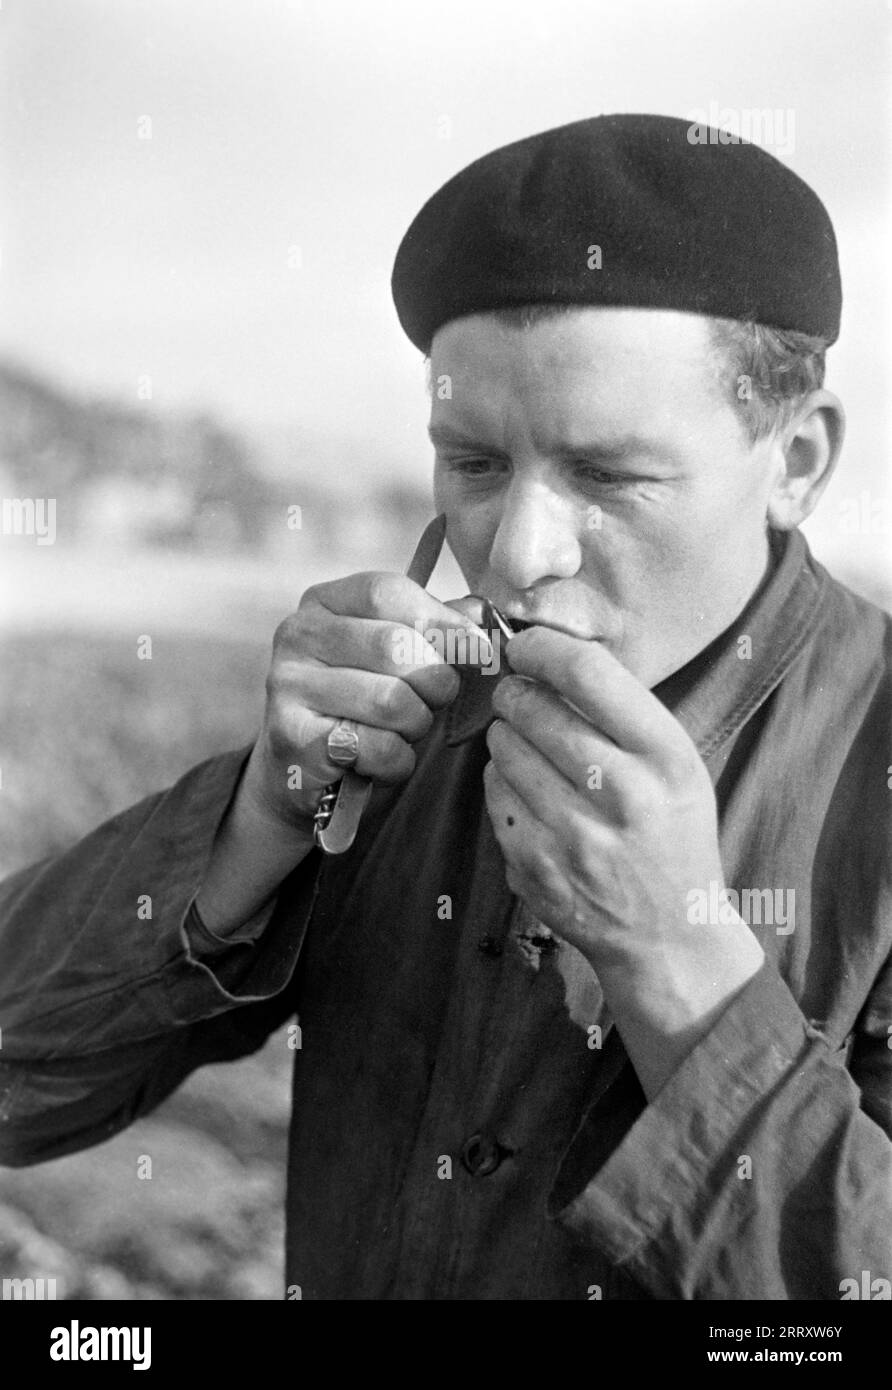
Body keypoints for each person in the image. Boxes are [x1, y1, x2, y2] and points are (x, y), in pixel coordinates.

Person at [1, 114, 889, 1301]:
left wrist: (678, 967)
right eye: (473, 465)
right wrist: (252, 824)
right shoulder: (401, 722)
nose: (518, 553)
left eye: (610, 475)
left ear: (795, 462)